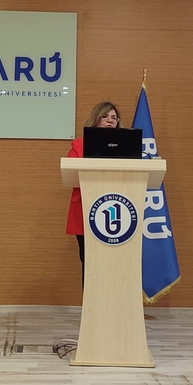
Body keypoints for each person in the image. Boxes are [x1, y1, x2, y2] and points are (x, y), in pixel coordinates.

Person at [65, 101, 121, 284]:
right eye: (105, 116)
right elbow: (71, 172)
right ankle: (91, 302)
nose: (110, 120)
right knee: (90, 263)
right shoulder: (79, 145)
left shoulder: (127, 146)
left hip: (119, 213)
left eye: (114, 118)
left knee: (117, 263)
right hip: (86, 210)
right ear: (95, 119)